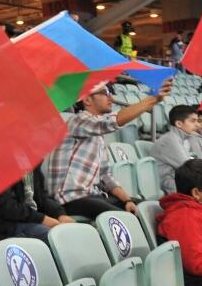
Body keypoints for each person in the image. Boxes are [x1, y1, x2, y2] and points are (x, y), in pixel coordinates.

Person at [46, 81, 171, 218]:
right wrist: (151, 99)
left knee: (150, 210)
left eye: (110, 93)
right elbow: (110, 122)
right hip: (69, 198)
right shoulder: (77, 121)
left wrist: (127, 200)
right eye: (104, 93)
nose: (111, 97)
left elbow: (106, 176)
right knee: (127, 219)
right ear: (87, 100)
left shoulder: (97, 135)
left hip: (92, 196)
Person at [157, 158, 202, 286]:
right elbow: (197, 264)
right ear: (196, 193)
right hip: (197, 281)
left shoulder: (198, 210)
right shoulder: (185, 216)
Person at [0, 170, 74, 243]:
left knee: (70, 231)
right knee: (53, 236)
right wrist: (42, 219)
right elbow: (6, 206)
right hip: (3, 222)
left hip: (28, 218)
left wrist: (60, 214)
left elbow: (41, 198)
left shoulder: (33, 162)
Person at [151, 105, 202, 193]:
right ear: (179, 124)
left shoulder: (182, 139)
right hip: (169, 185)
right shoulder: (170, 141)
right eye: (193, 121)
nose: (197, 125)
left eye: (197, 121)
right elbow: (189, 169)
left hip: (179, 181)